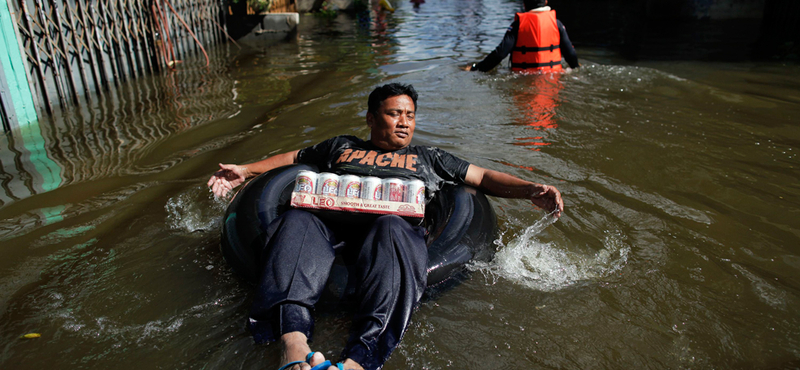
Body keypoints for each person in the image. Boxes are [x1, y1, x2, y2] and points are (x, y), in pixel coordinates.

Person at [207, 83, 563, 370]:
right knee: (297, 219)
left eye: (410, 115)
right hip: (330, 226)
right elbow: (295, 159)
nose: (404, 122)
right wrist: (245, 169)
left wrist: (530, 189)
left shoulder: (429, 158)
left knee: (392, 227)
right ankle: (293, 343)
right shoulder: (341, 147)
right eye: (394, 114)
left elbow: (481, 176)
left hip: (390, 232)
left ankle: (357, 361)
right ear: (371, 118)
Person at [464, 0, 579, 72]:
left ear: (524, 4)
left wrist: (476, 68)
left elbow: (499, 54)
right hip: (553, 78)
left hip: (524, 76)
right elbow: (571, 54)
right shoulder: (556, 23)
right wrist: (576, 68)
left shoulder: (518, 25)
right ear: (546, 2)